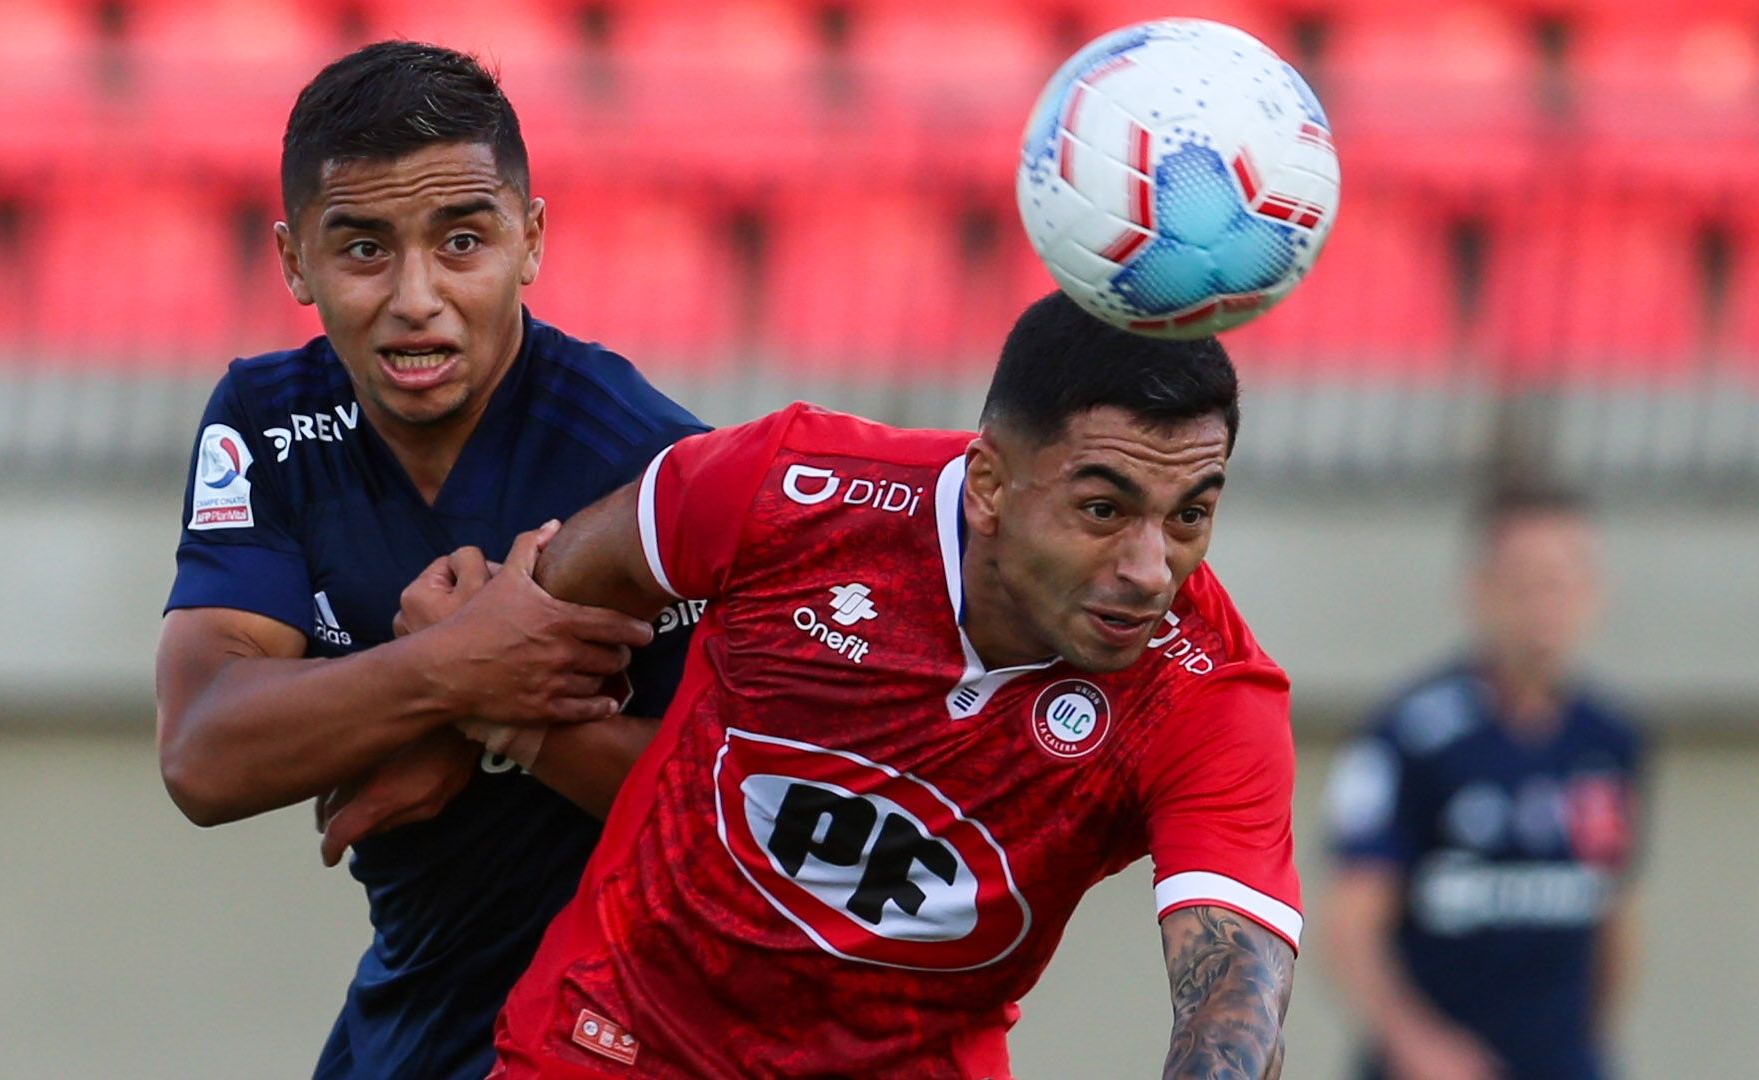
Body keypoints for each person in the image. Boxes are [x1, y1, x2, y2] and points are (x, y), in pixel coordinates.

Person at [332, 291, 1302, 1078]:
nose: (1148, 567)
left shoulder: (1209, 696)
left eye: (1189, 517)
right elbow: (519, 616)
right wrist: (437, 703)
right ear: (992, 487)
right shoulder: (790, 489)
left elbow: (1232, 1002)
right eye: (1103, 508)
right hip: (608, 1047)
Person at [153, 41, 706, 1079]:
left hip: (618, 1033)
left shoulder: (646, 462)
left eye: (462, 241)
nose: (417, 296)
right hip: (407, 1013)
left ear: (531, 240)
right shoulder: (267, 418)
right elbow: (204, 751)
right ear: (293, 259)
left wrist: (503, 725)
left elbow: (731, 822)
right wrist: (455, 672)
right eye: (364, 248)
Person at [1322, 486, 1645, 1080]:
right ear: (1479, 589)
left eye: (1566, 579)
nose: (1548, 602)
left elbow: (1614, 912)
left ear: (1595, 592)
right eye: (1527, 581)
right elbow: (1350, 923)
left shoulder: (1610, 741)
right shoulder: (1410, 736)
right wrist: (1416, 1044)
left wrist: (1590, 1042)